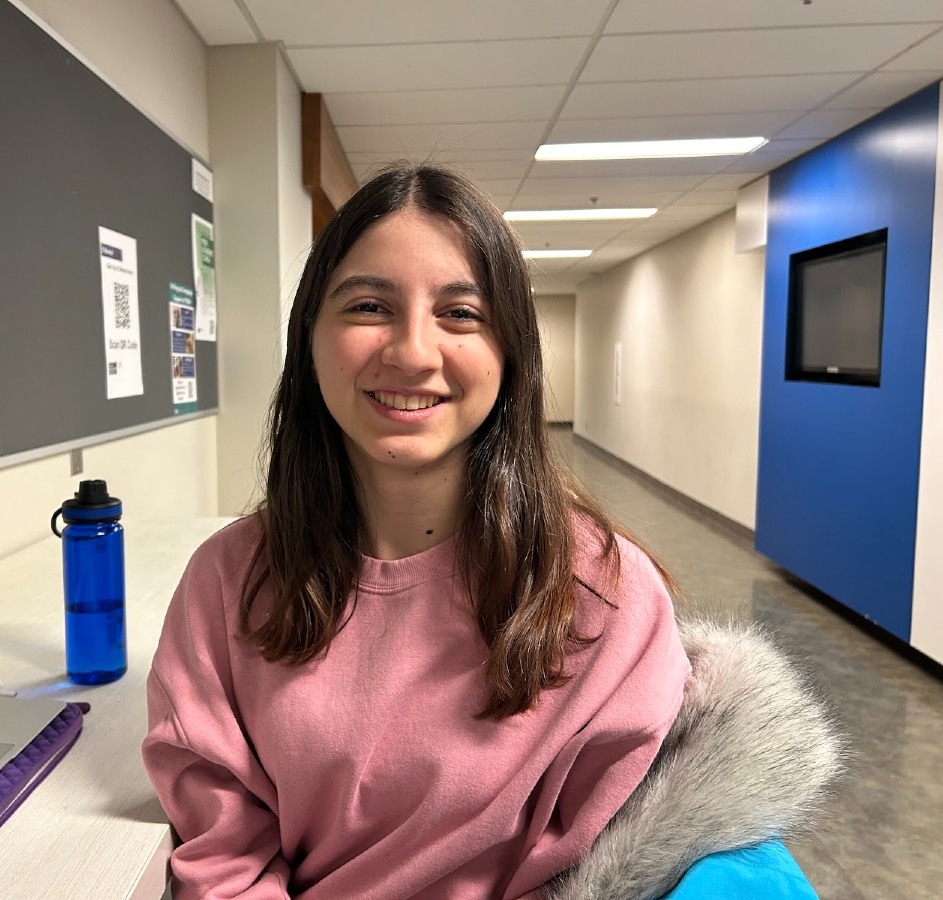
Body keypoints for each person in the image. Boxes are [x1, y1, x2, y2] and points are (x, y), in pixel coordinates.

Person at [142, 164, 838, 899]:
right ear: (309, 340)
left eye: (461, 314)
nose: (412, 351)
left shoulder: (604, 592)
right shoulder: (227, 581)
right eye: (370, 305)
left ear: (510, 356)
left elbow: (614, 871)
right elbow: (226, 856)